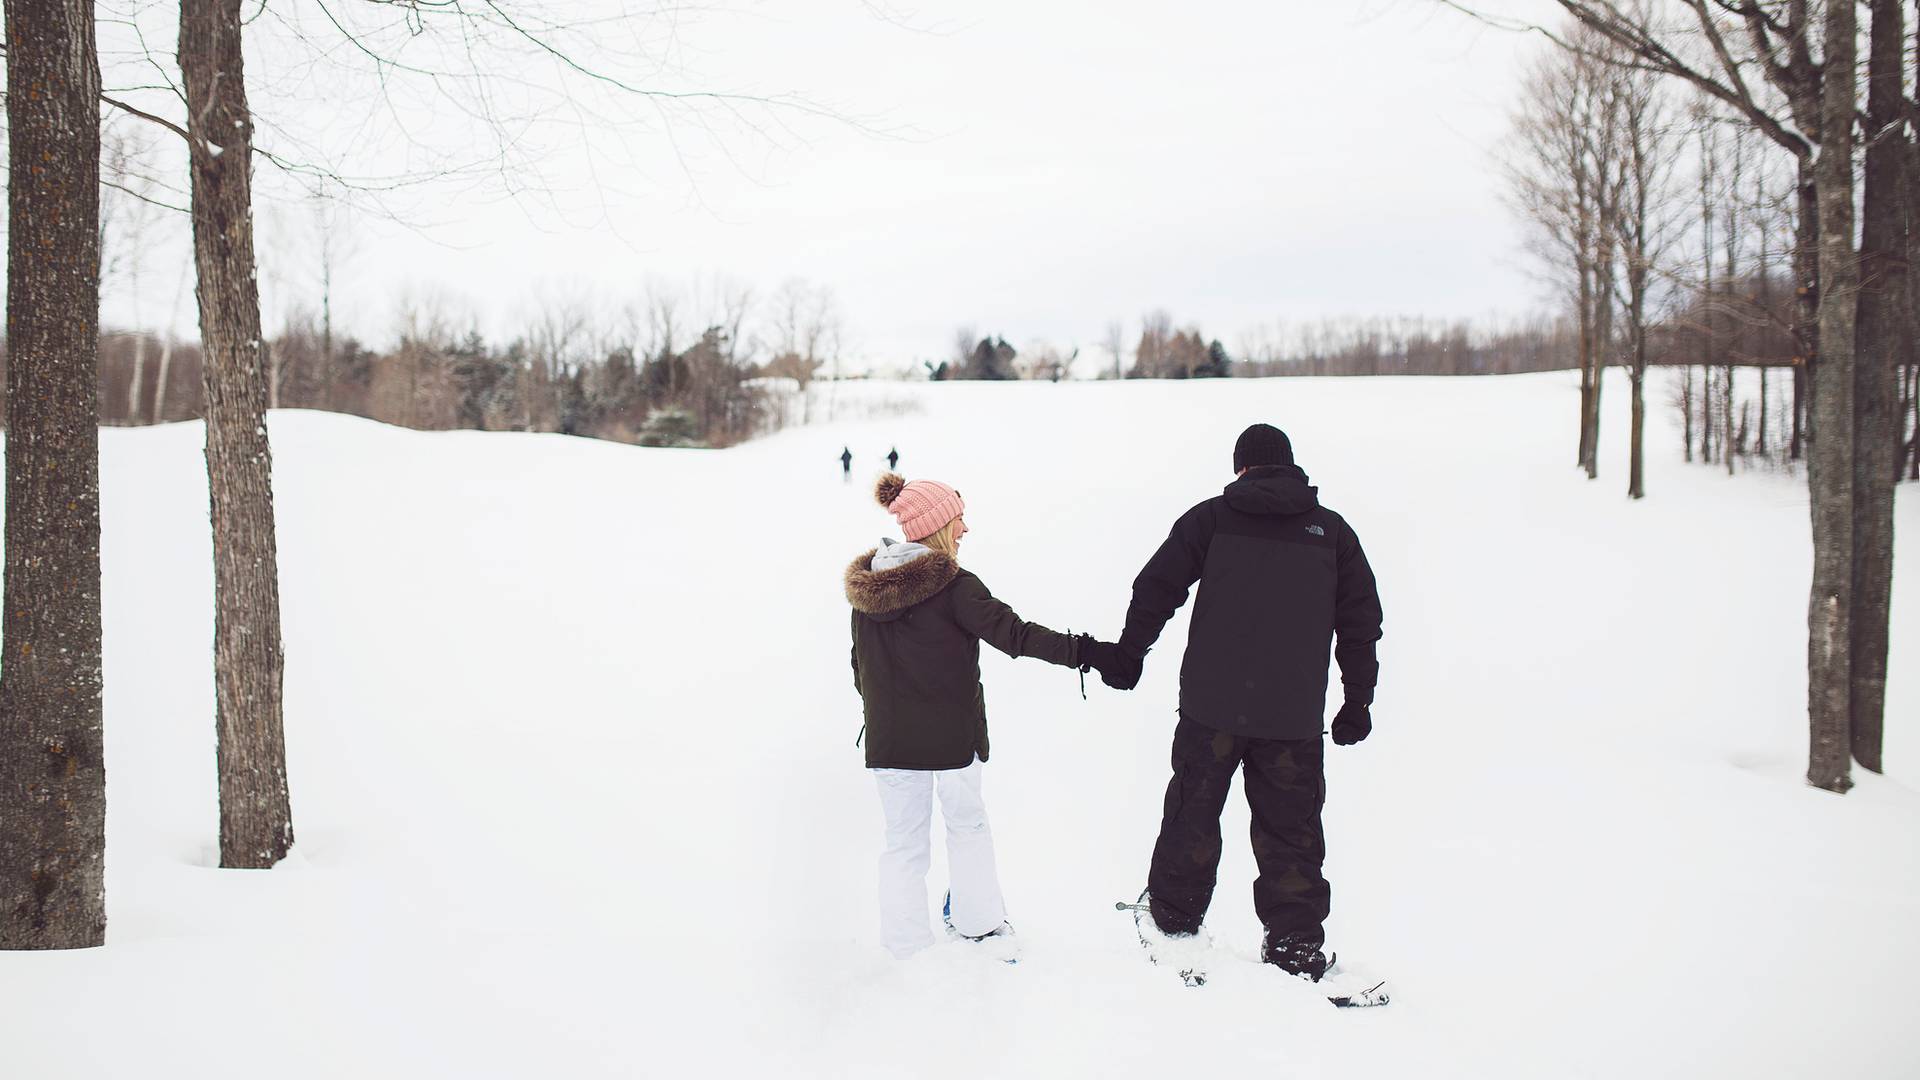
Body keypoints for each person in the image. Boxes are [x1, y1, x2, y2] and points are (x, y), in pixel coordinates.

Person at [1084, 423, 1382, 982]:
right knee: (1291, 831)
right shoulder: (1332, 533)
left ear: (1240, 468)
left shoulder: (1212, 519)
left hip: (1210, 709)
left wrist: (1131, 651)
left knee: (1191, 816)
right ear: (1291, 467)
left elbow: (1156, 587)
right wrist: (1357, 699)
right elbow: (1361, 622)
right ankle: (1293, 942)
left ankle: (1173, 923)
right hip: (1290, 717)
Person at [845, 472, 1110, 959]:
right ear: (938, 525)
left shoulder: (870, 591)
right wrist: (1088, 653)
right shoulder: (953, 585)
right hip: (952, 742)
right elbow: (1017, 635)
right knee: (967, 827)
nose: (965, 528)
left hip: (891, 744)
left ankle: (905, 946)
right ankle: (980, 924)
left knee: (902, 843)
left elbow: (860, 667)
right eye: (959, 518)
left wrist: (886, 714)